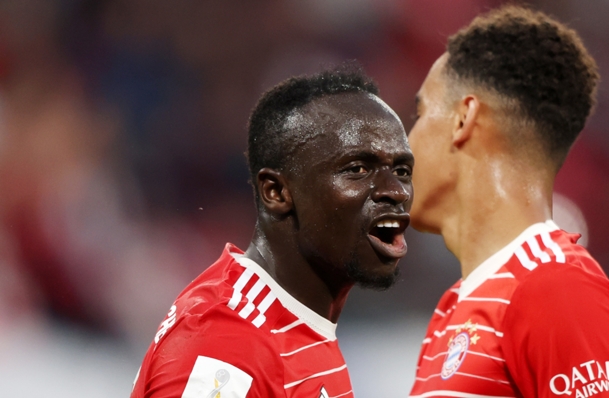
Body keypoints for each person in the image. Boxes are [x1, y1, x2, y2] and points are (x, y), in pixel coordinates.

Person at [130, 65, 414, 398]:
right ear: (276, 192)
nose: (396, 191)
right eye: (357, 169)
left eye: (401, 170)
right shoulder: (228, 342)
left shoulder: (296, 325)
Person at [407, 6, 609, 398]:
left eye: (420, 113)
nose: (403, 145)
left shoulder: (555, 287)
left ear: (464, 118)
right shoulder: (453, 309)